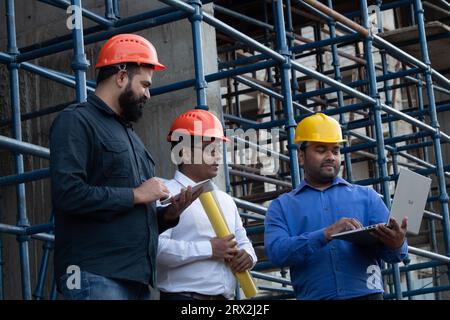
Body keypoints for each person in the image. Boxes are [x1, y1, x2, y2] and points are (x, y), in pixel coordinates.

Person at [50, 34, 201, 300]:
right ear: (121, 77)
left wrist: (166, 216)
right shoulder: (76, 122)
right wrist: (136, 194)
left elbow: (130, 214)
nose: (148, 94)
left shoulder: (132, 138)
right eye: (144, 84)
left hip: (136, 280)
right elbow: (68, 194)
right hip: (95, 275)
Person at [264, 113, 408, 300]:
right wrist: (326, 234)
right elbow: (276, 253)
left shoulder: (367, 197)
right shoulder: (281, 207)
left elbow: (397, 255)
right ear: (301, 156)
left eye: (336, 150)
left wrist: (397, 244)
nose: (331, 156)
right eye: (321, 149)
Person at [156, 109, 257, 300]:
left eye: (219, 149)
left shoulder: (226, 200)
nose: (218, 156)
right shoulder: (164, 193)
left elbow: (243, 241)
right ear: (184, 152)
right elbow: (156, 249)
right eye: (210, 149)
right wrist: (209, 249)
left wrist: (249, 256)